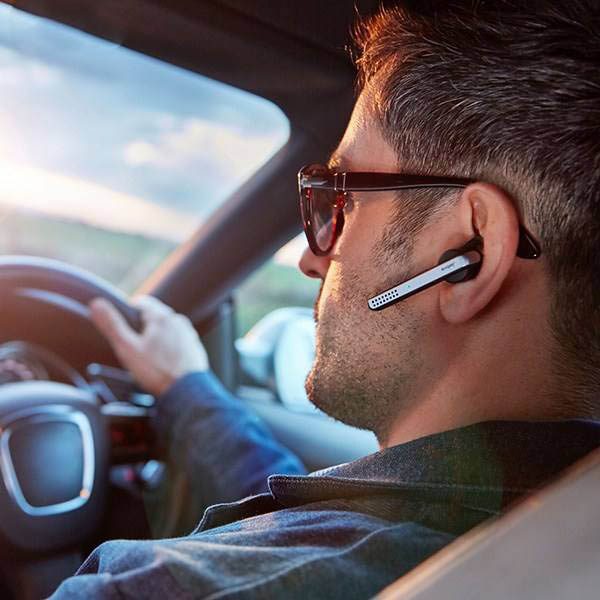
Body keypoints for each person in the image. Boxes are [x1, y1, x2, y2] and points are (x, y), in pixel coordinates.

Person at [51, 1, 600, 598]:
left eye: (344, 201)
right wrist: (187, 388)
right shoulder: (547, 524)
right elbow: (326, 522)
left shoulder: (150, 589)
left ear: (471, 256)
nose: (311, 260)